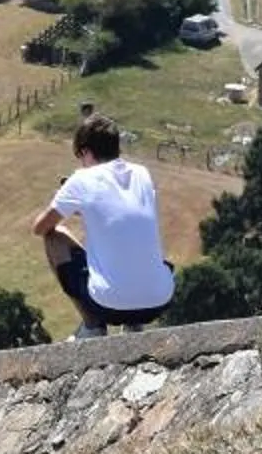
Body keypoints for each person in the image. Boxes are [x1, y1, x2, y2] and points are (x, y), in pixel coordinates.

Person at [32, 114, 173, 339]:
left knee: (54, 236)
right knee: (135, 246)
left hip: (108, 303)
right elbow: (124, 215)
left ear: (86, 152)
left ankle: (92, 327)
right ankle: (134, 326)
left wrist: (62, 197)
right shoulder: (142, 174)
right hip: (159, 298)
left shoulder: (81, 179)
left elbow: (40, 227)